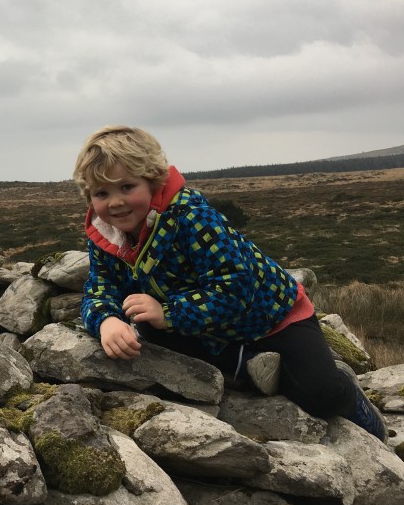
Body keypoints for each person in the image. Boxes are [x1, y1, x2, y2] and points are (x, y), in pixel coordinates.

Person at [73, 125, 387, 442]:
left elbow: (235, 289)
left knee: (319, 395)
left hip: (272, 317)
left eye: (127, 187)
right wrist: (107, 320)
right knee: (147, 326)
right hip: (207, 326)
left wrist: (169, 312)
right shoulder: (107, 238)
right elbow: (99, 289)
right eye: (102, 194)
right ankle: (247, 366)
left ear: (153, 181)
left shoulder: (191, 217)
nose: (115, 202)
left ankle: (350, 397)